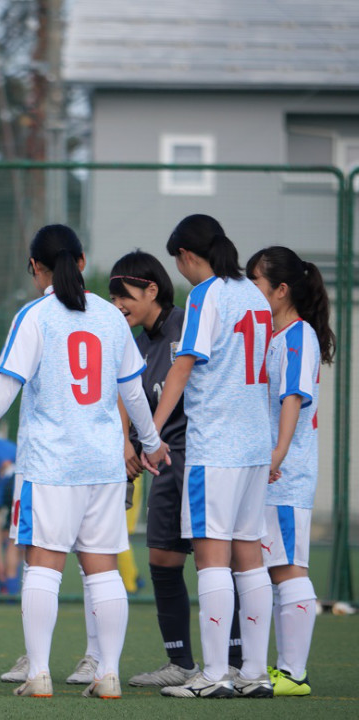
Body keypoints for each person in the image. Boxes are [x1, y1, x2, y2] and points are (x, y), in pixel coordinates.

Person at [0, 224, 169, 701]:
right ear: (82, 261)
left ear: (34, 267)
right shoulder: (110, 317)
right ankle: (108, 675)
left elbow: (6, 389)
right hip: (102, 464)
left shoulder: (35, 316)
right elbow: (132, 391)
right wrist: (150, 442)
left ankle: (39, 674)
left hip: (49, 464)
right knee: (103, 570)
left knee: (43, 566)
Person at [154, 214, 274, 699]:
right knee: (249, 559)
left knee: (210, 558)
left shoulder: (205, 294)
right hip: (254, 445)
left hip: (216, 446)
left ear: (186, 255)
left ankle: (214, 674)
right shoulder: (254, 294)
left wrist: (151, 429)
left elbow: (183, 366)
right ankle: (255, 674)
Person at [108, 250, 241, 687]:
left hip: (203, 454)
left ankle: (234, 661)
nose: (117, 305)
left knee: (215, 560)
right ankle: (180, 663)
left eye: (124, 295)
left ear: (151, 289)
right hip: (163, 460)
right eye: (111, 297)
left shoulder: (188, 323)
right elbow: (125, 398)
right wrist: (132, 444)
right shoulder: (133, 342)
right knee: (163, 558)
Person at [247, 246, 335, 697]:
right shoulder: (277, 336)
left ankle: (293, 674)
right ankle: (273, 668)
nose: (250, 291)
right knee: (271, 566)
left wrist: (277, 455)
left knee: (287, 568)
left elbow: (293, 400)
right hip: (270, 470)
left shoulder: (299, 336)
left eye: (256, 283)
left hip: (285, 474)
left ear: (281, 290)